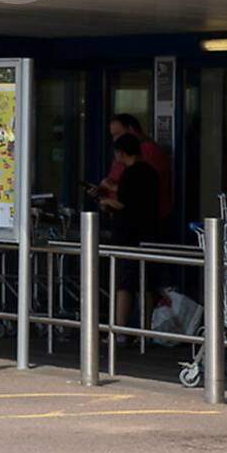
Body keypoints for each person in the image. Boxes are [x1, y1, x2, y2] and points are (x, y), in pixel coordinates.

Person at [94, 133, 161, 324]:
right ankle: (145, 328)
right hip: (149, 232)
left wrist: (105, 200)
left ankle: (120, 329)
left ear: (121, 153)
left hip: (128, 235)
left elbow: (124, 203)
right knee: (146, 284)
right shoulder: (151, 172)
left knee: (124, 284)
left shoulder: (129, 173)